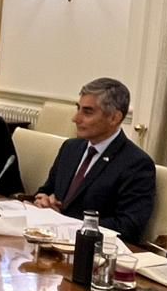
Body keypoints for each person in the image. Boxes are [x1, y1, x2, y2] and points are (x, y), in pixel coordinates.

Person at [33, 77, 155, 241]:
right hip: (51, 240)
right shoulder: (70, 148)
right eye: (78, 109)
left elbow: (128, 226)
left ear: (114, 118)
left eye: (87, 112)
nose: (76, 118)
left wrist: (67, 223)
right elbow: (46, 190)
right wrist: (43, 201)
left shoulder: (136, 164)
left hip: (93, 249)